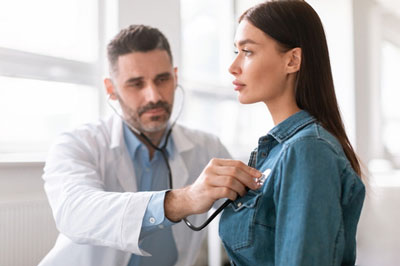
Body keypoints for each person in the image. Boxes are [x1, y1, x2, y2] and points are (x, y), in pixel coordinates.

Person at [39, 24, 261, 266]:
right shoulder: (77, 144)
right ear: (111, 89)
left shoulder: (207, 146)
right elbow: (75, 213)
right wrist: (183, 200)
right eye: (136, 84)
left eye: (162, 79)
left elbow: (252, 215)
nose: (154, 96)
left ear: (175, 77)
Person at [218, 1, 366, 265]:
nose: (233, 66)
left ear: (292, 60)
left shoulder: (308, 150)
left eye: (248, 52)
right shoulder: (278, 150)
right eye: (235, 51)